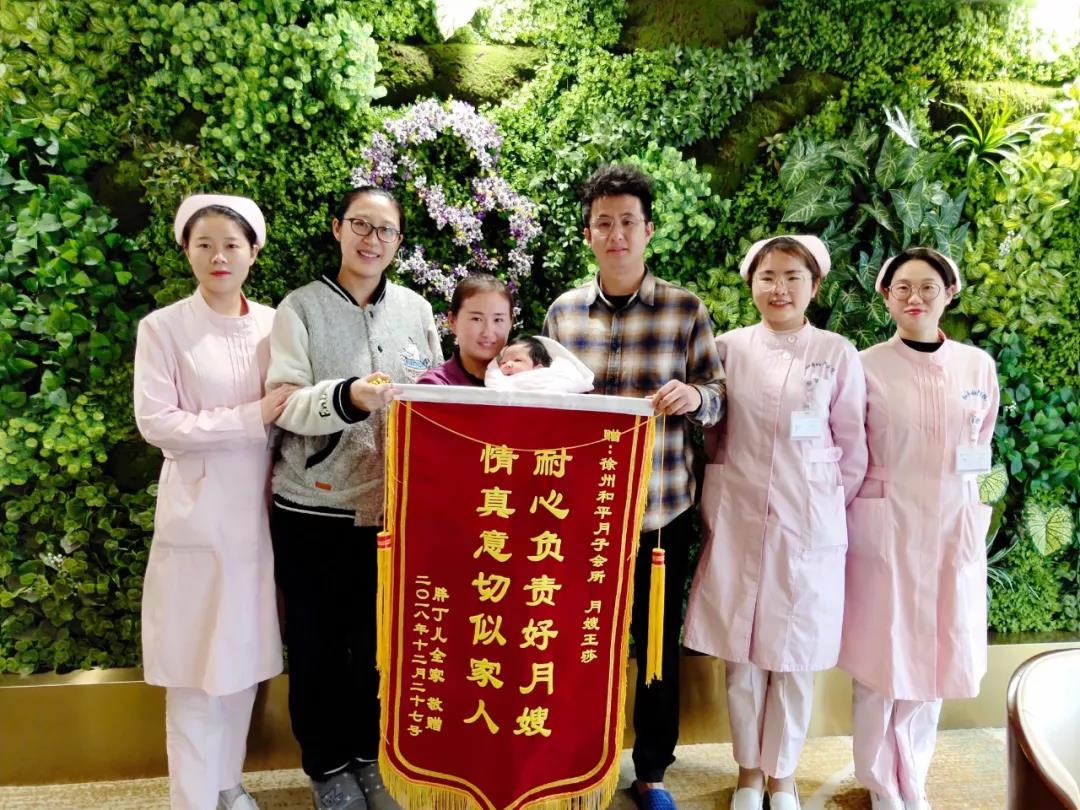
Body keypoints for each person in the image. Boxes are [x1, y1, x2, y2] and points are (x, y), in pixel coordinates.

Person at [542, 163, 726, 810]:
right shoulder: (563, 313)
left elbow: (718, 396)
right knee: (577, 643)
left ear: (648, 230)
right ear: (587, 234)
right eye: (603, 223)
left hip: (658, 511)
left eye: (628, 222)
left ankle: (651, 772)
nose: (616, 234)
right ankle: (577, 764)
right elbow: (543, 401)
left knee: (654, 649)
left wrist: (694, 397)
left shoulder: (685, 309)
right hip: (580, 518)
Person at [266, 186, 441, 810]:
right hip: (313, 509)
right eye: (361, 225)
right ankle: (326, 768)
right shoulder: (301, 309)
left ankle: (370, 757)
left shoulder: (417, 310)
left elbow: (437, 392)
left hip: (392, 514)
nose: (372, 240)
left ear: (399, 242)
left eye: (385, 231)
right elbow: (282, 401)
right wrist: (347, 397)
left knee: (378, 648)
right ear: (338, 229)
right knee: (317, 648)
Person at [683, 235, 868, 810]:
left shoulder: (837, 352)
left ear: (815, 285)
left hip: (806, 524)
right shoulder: (730, 348)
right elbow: (715, 434)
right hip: (738, 516)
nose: (779, 288)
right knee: (740, 653)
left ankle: (782, 776)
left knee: (793, 658)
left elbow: (852, 448)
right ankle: (748, 773)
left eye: (792, 277)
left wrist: (820, 503)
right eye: (768, 277)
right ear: (752, 284)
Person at [134, 194, 294, 810]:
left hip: (260, 515)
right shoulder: (164, 328)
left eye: (232, 244)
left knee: (242, 662)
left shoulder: (276, 324)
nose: (218, 256)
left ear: (254, 252)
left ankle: (228, 784)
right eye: (204, 245)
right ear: (187, 251)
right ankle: (194, 799)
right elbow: (158, 422)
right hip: (197, 513)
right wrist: (250, 417)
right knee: (194, 670)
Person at [839, 247, 999, 810]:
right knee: (882, 658)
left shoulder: (977, 366)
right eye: (902, 287)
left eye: (928, 287)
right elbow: (851, 446)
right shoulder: (864, 365)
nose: (915, 298)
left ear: (948, 294)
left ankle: (915, 777)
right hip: (887, 521)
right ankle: (880, 782)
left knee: (936, 655)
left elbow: (981, 438)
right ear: (885, 296)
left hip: (952, 521)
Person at [416, 273, 512, 386]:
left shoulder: (525, 379)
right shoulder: (435, 385)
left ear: (511, 323)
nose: (487, 332)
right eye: (476, 319)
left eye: (498, 320)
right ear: (452, 321)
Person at [484, 334, 595, 393]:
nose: (508, 364)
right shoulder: (499, 381)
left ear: (538, 368)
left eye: (517, 360)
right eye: (503, 362)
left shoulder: (546, 377)